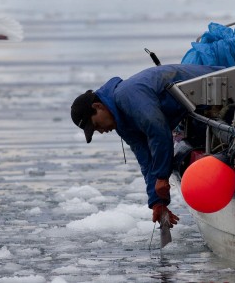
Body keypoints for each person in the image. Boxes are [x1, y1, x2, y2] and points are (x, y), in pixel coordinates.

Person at [70, 63, 219, 227]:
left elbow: (159, 132)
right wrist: (157, 201)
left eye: (96, 125)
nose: (100, 131)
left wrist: (162, 177)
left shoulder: (127, 95)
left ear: (97, 107)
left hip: (220, 89)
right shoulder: (123, 124)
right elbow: (146, 160)